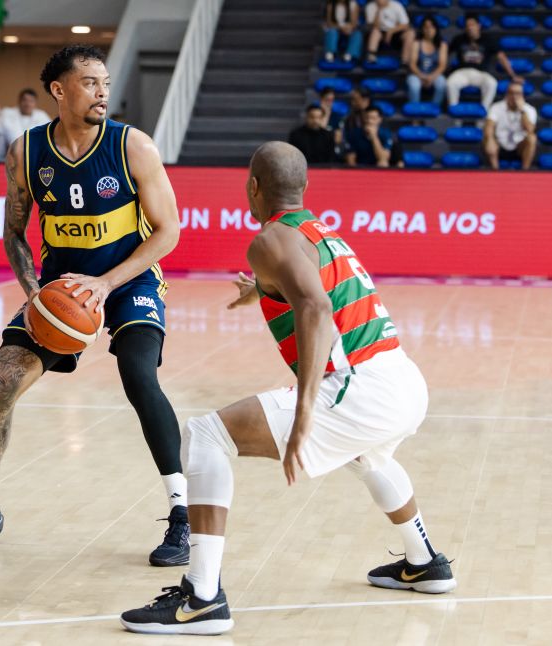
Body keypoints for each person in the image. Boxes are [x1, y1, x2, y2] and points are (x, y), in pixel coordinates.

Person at [120, 142, 455, 636]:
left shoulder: (269, 240)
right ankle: (424, 561)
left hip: (360, 386)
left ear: (253, 187)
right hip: (402, 379)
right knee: (367, 456)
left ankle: (201, 597)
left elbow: (316, 307)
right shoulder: (319, 232)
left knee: (206, 435)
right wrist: (260, 289)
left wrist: (304, 413)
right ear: (304, 188)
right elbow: (309, 284)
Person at [0, 45, 191, 568]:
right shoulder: (26, 152)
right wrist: (34, 291)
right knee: (1, 382)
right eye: (90, 82)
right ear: (59, 90)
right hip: (60, 289)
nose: (102, 92)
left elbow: (169, 230)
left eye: (105, 83)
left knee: (139, 376)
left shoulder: (132, 146)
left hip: (128, 281)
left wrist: (105, 283)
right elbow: (14, 232)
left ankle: (181, 513)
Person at [447, 14, 519, 110]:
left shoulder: (488, 40)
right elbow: (445, 54)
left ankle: (484, 111)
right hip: (462, 72)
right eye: (467, 25)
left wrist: (513, 75)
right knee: (450, 83)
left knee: (492, 83)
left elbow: (501, 57)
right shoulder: (458, 39)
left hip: (481, 73)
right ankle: (453, 109)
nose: (470, 28)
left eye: (472, 25)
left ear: (478, 25)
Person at [483, 80, 536, 170]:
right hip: (500, 145)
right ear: (507, 94)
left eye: (517, 93)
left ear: (522, 95)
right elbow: (489, 126)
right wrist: (490, 139)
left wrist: (522, 111)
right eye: (511, 93)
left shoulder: (529, 109)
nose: (514, 96)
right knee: (487, 138)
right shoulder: (496, 107)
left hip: (519, 147)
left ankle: (525, 172)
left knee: (532, 138)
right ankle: (495, 171)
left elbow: (530, 130)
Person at [406, 16, 448, 107]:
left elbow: (442, 65)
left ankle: (435, 107)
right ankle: (415, 110)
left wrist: (431, 77)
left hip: (435, 74)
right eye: (426, 27)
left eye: (432, 27)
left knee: (442, 84)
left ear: (436, 29)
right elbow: (412, 64)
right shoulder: (416, 43)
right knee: (414, 86)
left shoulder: (442, 44)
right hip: (417, 74)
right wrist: (422, 76)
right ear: (422, 29)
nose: (429, 30)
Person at [364, 0, 414, 65]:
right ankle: (371, 58)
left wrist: (391, 31)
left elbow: (406, 25)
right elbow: (375, 27)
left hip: (395, 31)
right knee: (375, 32)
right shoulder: (370, 7)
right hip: (380, 33)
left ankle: (405, 61)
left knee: (410, 33)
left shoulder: (397, 5)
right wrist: (379, 10)